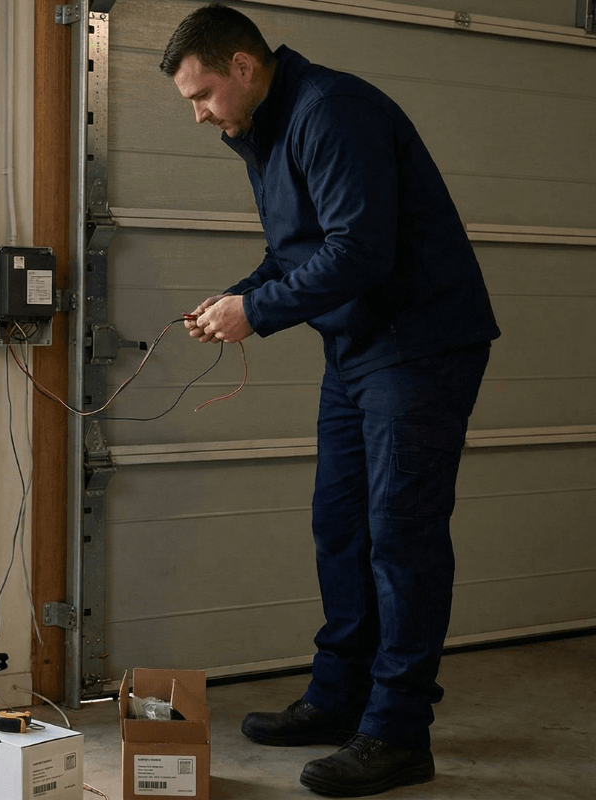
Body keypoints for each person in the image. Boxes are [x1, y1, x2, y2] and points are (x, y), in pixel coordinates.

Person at [161, 5, 499, 797]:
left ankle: (397, 732)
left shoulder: (331, 112)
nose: (198, 114)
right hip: (357, 349)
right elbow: (293, 252)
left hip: (418, 344)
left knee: (401, 534)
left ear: (243, 66)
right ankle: (340, 697)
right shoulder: (264, 129)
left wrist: (257, 312)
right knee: (340, 525)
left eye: (202, 94)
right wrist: (236, 296)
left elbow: (359, 250)